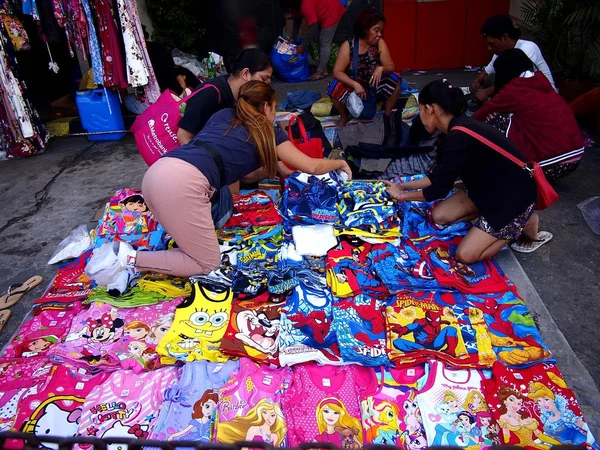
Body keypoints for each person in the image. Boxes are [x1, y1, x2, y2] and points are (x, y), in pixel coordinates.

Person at [96, 81, 351, 279]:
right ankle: (130, 260)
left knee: (212, 223)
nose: (275, 114)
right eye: (274, 107)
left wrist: (278, 170)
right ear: (266, 108)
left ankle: (150, 253)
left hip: (159, 172)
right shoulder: (267, 130)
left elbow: (243, 169)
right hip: (182, 185)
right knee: (207, 263)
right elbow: (312, 165)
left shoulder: (223, 116)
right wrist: (339, 162)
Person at [383, 80, 553, 262]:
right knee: (439, 216)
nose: (419, 116)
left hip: (510, 199)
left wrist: (401, 196)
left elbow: (437, 190)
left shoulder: (457, 137)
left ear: (430, 109)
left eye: (420, 109)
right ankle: (497, 223)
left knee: (466, 255)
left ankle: (521, 224)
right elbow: (437, 177)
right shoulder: (455, 128)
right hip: (487, 190)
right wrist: (402, 185)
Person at [473, 49, 585, 181]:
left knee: (494, 117)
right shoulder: (540, 81)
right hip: (574, 157)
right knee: (513, 117)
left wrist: (455, 132)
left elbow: (480, 115)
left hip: (550, 164)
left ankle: (510, 168)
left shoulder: (514, 89)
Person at [177, 48, 273, 145]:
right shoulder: (210, 94)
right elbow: (183, 137)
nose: (265, 86)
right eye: (264, 79)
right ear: (245, 74)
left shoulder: (245, 96)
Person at [328, 9, 401, 126]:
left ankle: (387, 115)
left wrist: (381, 68)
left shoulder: (379, 43)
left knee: (395, 78)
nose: (379, 34)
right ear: (365, 29)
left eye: (381, 31)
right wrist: (355, 84)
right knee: (334, 86)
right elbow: (337, 71)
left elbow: (391, 66)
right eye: (376, 30)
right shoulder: (348, 46)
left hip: (373, 87)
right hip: (354, 89)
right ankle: (344, 117)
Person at [470, 15, 555, 103]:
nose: (489, 48)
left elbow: (513, 81)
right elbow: (489, 69)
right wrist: (477, 80)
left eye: (491, 44)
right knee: (490, 78)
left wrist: (487, 92)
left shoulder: (528, 48)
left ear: (504, 37)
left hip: (544, 97)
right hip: (523, 92)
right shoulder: (501, 50)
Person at [286, 0, 346, 80]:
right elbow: (297, 20)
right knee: (318, 40)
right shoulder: (299, 6)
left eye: (290, 11)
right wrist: (292, 38)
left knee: (324, 43)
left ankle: (320, 72)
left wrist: (303, 46)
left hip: (332, 12)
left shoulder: (306, 6)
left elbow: (313, 27)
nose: (289, 14)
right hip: (325, 9)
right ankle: (323, 68)